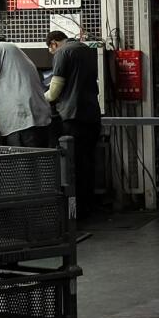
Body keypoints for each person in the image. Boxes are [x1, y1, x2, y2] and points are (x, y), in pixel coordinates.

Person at [46, 30, 102, 217]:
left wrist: (38, 97)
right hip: (92, 116)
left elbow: (54, 92)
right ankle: (88, 207)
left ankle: (73, 214)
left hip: (72, 118)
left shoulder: (63, 53)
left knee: (72, 167)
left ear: (54, 43)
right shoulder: (86, 49)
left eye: (51, 50)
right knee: (88, 164)